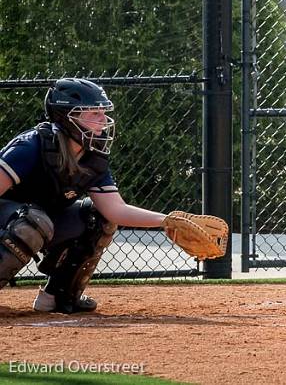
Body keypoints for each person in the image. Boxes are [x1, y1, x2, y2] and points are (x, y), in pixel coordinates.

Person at [0, 78, 171, 313]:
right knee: (32, 222)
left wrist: (169, 221)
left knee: (98, 218)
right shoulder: (31, 146)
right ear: (65, 117)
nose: (103, 120)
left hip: (43, 222)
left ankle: (58, 297)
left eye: (103, 112)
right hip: (9, 219)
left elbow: (115, 209)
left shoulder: (92, 154)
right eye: (93, 113)